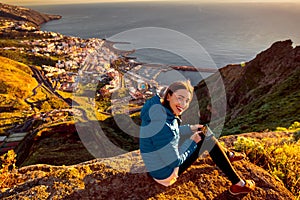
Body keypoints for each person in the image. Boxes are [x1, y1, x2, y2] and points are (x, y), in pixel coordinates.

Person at [139, 80, 255, 195]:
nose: (183, 105)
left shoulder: (159, 110)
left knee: (202, 130)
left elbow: (170, 133)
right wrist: (192, 142)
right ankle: (239, 184)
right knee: (205, 137)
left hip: (157, 164)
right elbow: (175, 161)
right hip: (165, 174)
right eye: (180, 98)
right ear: (168, 96)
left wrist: (190, 128)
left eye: (187, 100)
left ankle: (226, 155)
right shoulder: (162, 123)